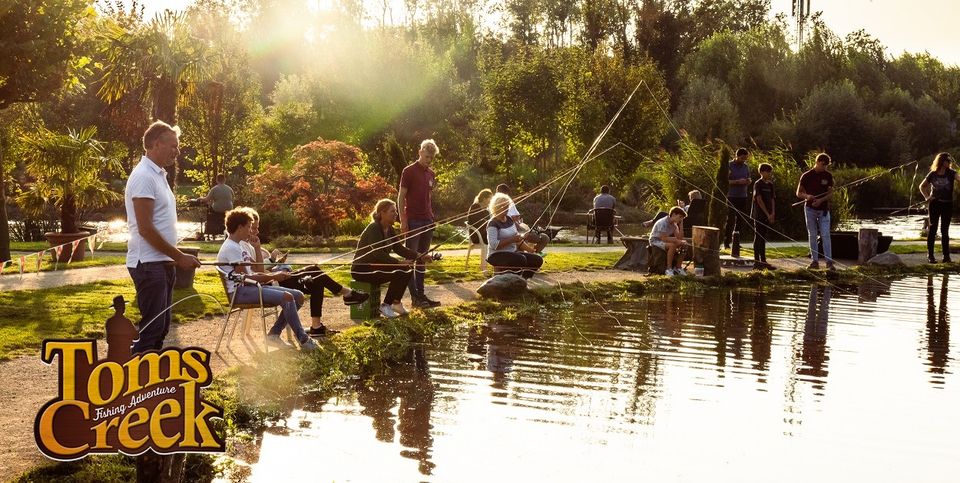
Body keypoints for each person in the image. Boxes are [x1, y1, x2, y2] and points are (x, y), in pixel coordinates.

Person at [125, 121, 201, 353]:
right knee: (152, 330)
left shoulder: (159, 175)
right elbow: (145, 228)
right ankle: (132, 383)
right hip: (148, 264)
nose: (177, 151)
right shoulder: (143, 176)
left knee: (161, 329)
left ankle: (152, 384)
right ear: (156, 144)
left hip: (162, 264)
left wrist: (173, 259)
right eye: (173, 146)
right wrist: (179, 256)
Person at [240, 208, 368, 337]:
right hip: (270, 284)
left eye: (257, 227)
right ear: (244, 227)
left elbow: (261, 269)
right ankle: (346, 293)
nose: (257, 231)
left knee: (316, 280)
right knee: (314, 270)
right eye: (253, 228)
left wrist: (278, 266)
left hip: (275, 278)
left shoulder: (250, 245)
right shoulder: (243, 247)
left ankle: (316, 326)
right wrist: (272, 262)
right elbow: (259, 271)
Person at [217, 208, 318, 350]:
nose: (250, 231)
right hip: (241, 292)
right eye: (248, 227)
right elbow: (244, 279)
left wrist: (257, 248)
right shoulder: (231, 248)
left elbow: (257, 268)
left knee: (299, 296)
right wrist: (274, 276)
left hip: (252, 287)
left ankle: (274, 334)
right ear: (240, 228)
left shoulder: (240, 246)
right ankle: (304, 340)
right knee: (288, 297)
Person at [353, 199, 433, 318]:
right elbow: (378, 254)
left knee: (407, 269)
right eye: (393, 211)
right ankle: (385, 306)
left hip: (377, 266)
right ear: (382, 213)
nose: (396, 214)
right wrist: (398, 262)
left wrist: (420, 256)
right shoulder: (374, 228)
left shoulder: (389, 229)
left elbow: (400, 249)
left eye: (395, 211)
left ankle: (396, 303)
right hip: (362, 269)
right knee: (399, 272)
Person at [398, 139, 441, 309]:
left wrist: (432, 217)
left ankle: (421, 295)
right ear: (420, 152)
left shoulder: (431, 174)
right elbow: (401, 197)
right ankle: (415, 297)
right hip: (413, 220)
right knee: (410, 258)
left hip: (428, 220)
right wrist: (403, 219)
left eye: (431, 158)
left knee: (422, 259)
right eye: (426, 156)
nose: (428, 160)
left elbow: (427, 198)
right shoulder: (408, 171)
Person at [486, 193, 544, 279]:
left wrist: (530, 249)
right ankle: (512, 282)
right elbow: (494, 245)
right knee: (520, 259)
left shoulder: (509, 219)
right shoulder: (493, 223)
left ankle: (523, 281)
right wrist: (512, 239)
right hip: (496, 255)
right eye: (504, 206)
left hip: (512, 253)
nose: (507, 208)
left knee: (537, 260)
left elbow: (517, 238)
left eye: (507, 206)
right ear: (497, 207)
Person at [797, 153, 835, 270]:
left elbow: (830, 193)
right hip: (809, 209)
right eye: (823, 165)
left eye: (826, 165)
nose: (824, 167)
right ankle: (815, 261)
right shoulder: (806, 176)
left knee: (825, 235)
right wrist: (807, 196)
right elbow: (798, 193)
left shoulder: (828, 175)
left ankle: (829, 262)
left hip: (823, 210)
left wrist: (820, 200)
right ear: (817, 162)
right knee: (812, 235)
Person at [919, 152, 955, 263]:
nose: (949, 163)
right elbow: (922, 186)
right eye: (947, 161)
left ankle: (946, 256)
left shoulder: (952, 173)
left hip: (947, 204)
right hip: (935, 204)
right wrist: (926, 197)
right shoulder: (932, 174)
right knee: (933, 229)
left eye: (949, 161)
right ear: (942, 161)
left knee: (945, 230)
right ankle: (930, 256)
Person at [495, 183, 549, 252]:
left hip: (519, 229)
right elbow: (503, 222)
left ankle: (533, 253)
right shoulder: (495, 205)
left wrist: (518, 219)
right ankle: (530, 253)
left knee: (545, 238)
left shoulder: (510, 202)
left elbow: (517, 215)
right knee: (524, 237)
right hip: (513, 232)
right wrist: (514, 222)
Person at [724, 148, 752, 251]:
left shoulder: (746, 167)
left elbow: (749, 178)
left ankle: (736, 241)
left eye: (745, 158)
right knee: (730, 219)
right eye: (742, 158)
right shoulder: (729, 165)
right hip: (731, 196)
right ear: (737, 156)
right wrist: (737, 182)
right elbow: (724, 180)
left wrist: (748, 181)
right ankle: (726, 242)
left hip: (742, 196)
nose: (744, 160)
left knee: (740, 220)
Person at [650, 206, 688, 276]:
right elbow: (663, 238)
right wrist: (676, 241)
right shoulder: (663, 222)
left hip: (664, 240)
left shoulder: (674, 224)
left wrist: (681, 225)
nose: (681, 219)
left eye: (682, 218)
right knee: (672, 245)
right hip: (655, 241)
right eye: (680, 217)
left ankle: (678, 267)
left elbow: (679, 238)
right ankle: (669, 269)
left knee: (685, 245)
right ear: (673, 214)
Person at [752, 163, 776, 270]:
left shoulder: (770, 185)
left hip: (768, 215)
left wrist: (772, 214)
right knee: (758, 236)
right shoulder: (758, 184)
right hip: (759, 214)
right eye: (767, 171)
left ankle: (764, 261)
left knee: (764, 237)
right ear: (761, 172)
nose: (769, 174)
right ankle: (757, 262)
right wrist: (767, 213)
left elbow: (772, 199)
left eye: (770, 172)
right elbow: (759, 199)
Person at [200, 174, 234, 238]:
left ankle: (211, 230)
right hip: (229, 209)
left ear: (216, 180)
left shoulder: (214, 189)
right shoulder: (230, 189)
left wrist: (200, 198)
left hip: (217, 209)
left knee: (210, 209)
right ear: (225, 180)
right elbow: (232, 199)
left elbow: (206, 199)